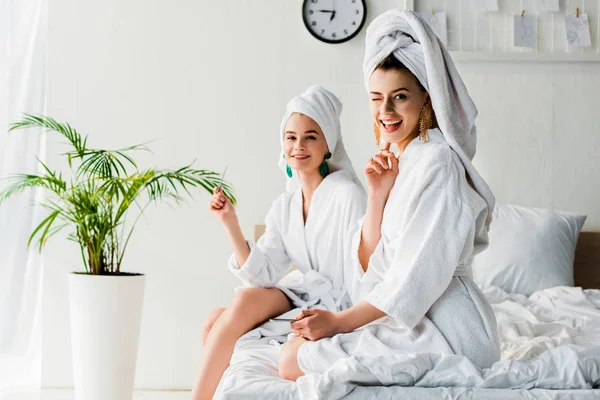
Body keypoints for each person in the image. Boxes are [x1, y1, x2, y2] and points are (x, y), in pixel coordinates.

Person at [278, 10, 501, 381]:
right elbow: (370, 265)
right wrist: (377, 196)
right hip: (404, 317)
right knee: (290, 353)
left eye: (399, 96)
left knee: (292, 360)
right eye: (376, 98)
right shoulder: (400, 159)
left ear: (426, 98)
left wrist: (340, 323)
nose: (386, 111)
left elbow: (416, 277)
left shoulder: (439, 162)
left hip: (452, 331)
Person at [191, 86, 366, 399]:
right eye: (291, 137)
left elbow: (363, 269)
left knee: (229, 314)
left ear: (329, 143)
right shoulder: (285, 205)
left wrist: (345, 323)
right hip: (301, 293)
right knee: (214, 319)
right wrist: (230, 222)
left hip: (336, 305)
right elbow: (264, 275)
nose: (298, 146)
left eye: (310, 136)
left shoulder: (346, 194)